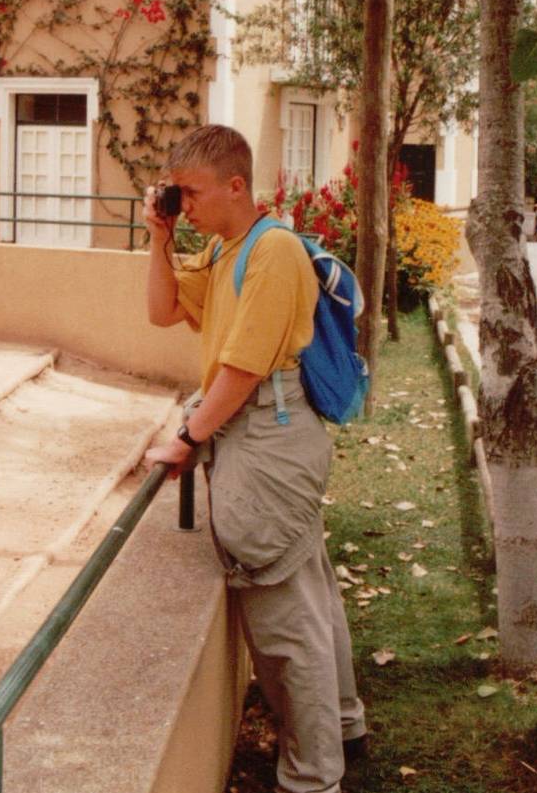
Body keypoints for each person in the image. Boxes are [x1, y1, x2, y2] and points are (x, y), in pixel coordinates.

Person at [142, 124, 366, 793]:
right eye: (177, 193)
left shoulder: (271, 253)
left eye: (192, 192)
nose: (185, 204)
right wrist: (160, 236)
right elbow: (161, 310)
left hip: (267, 433)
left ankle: (311, 776)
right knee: (309, 587)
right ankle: (344, 725)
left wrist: (186, 438)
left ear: (236, 185)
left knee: (281, 619)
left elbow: (241, 368)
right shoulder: (224, 248)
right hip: (265, 429)